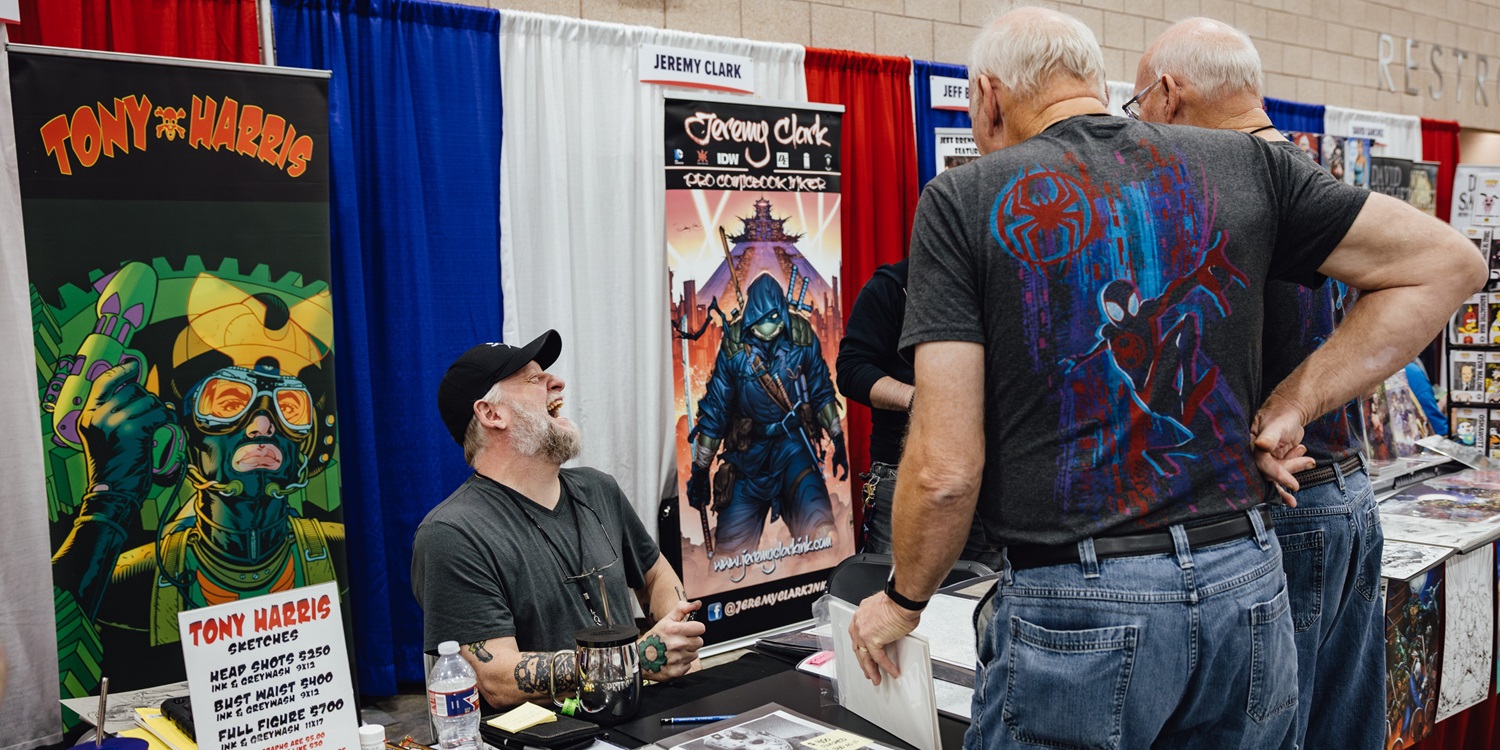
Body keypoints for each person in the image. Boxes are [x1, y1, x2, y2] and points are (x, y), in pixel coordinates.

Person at [845, 7, 1484, 750]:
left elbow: (946, 471)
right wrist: (1294, 403)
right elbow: (1449, 264)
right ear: (1095, 80)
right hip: (1242, 580)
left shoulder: (964, 197)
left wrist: (903, 598)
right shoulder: (1247, 162)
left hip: (1081, 603)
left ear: (988, 96)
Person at [1133, 18, 1383, 750]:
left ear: (1170, 95)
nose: (1137, 127)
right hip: (1340, 489)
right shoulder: (1307, 175)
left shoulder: (1243, 190)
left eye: (1138, 105)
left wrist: (1292, 405)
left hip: (1290, 498)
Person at [413, 331, 705, 709]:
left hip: (640, 713)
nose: (557, 382)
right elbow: (497, 678)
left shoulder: (599, 489)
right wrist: (635, 659)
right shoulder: (451, 533)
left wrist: (678, 639)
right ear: (490, 413)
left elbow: (656, 575)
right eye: (534, 379)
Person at [836, 259, 998, 569]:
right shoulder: (891, 286)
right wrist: (921, 400)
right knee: (889, 595)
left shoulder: (992, 286)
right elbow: (852, 370)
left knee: (983, 596)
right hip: (903, 473)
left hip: (982, 476)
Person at [687, 274, 849, 556]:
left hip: (792, 448)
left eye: (775, 317)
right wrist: (700, 471)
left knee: (823, 534)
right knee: (729, 557)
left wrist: (838, 438)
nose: (770, 325)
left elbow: (821, 391)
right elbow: (716, 412)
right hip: (747, 456)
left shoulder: (800, 337)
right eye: (763, 318)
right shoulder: (735, 348)